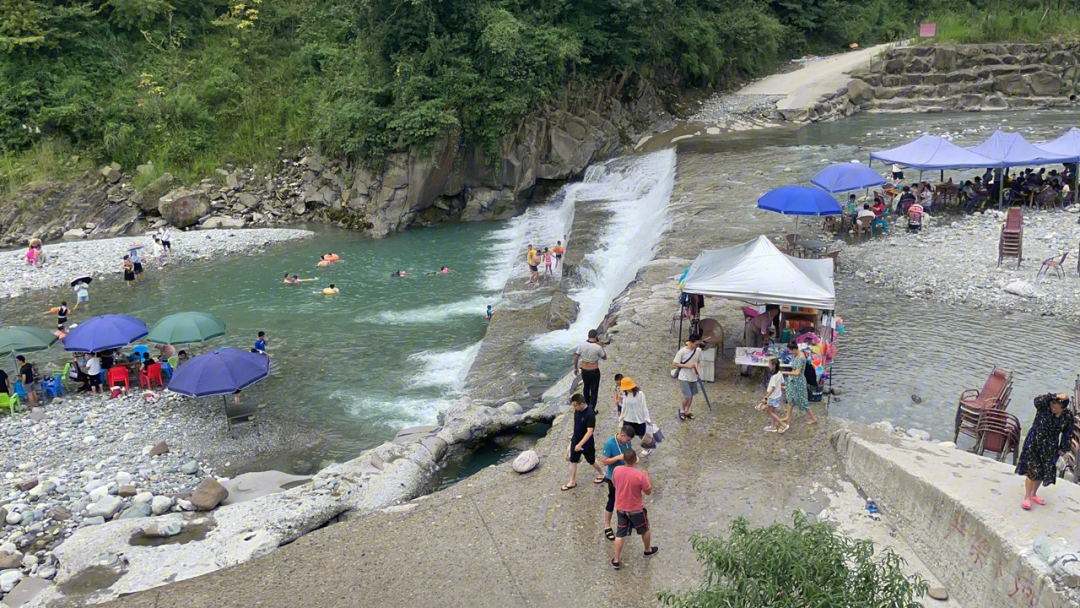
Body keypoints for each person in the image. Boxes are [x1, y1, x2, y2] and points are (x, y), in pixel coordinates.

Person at [1016, 393, 1075, 510]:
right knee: (1032, 470)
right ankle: (1027, 497)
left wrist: (1064, 448)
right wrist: (1054, 395)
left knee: (1043, 471)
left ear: (1062, 407)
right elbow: (1037, 400)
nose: (1053, 407)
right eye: (1053, 404)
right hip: (1034, 442)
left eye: (1056, 406)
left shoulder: (1067, 416)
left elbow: (1067, 432)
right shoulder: (1044, 407)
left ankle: (1033, 494)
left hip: (1050, 446)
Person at [610, 448, 657, 569]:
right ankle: (647, 549)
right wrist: (647, 477)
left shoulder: (616, 470)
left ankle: (616, 559)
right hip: (636, 509)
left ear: (624, 459)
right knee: (644, 529)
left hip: (621, 508)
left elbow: (615, 484)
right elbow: (648, 491)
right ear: (635, 460)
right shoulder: (639, 476)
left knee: (620, 534)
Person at [563, 393, 605, 491]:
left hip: (586, 442)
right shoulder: (577, 411)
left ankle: (602, 473)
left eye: (575, 405)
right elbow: (576, 426)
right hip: (576, 439)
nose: (574, 408)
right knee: (573, 460)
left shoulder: (590, 413)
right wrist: (572, 441)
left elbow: (590, 431)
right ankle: (571, 481)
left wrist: (580, 444)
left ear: (582, 404)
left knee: (591, 460)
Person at [600, 425, 636, 542]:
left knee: (627, 499)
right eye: (627, 440)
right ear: (622, 435)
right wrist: (617, 458)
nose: (628, 442)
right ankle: (607, 526)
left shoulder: (627, 443)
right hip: (613, 477)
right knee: (612, 500)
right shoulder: (609, 444)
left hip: (626, 475)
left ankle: (626, 522)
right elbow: (604, 461)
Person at [780, 342, 817, 425]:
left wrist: (784, 372)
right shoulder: (795, 355)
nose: (789, 352)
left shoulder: (801, 358)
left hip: (799, 382)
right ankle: (787, 416)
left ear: (794, 349)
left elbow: (797, 372)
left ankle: (813, 418)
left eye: (790, 350)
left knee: (803, 400)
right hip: (793, 381)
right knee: (790, 398)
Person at [573, 329, 607, 411]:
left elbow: (576, 356)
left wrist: (575, 368)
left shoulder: (582, 345)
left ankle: (586, 406)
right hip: (594, 370)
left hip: (584, 370)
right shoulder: (598, 347)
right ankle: (591, 409)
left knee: (586, 388)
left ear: (588, 336)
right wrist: (601, 346)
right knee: (594, 391)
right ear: (596, 337)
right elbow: (604, 357)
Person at [672, 334, 702, 421]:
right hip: (684, 376)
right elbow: (674, 364)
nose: (697, 346)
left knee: (691, 395)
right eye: (696, 344)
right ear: (691, 343)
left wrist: (698, 371)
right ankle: (681, 409)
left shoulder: (698, 350)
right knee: (687, 396)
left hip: (693, 376)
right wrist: (687, 366)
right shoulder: (682, 352)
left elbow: (699, 361)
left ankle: (687, 411)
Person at [618, 377, 653, 455]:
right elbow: (624, 406)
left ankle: (647, 448)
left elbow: (644, 407)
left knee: (642, 435)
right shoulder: (625, 394)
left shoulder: (640, 394)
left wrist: (647, 419)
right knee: (626, 435)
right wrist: (621, 417)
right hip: (628, 418)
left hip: (639, 419)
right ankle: (625, 451)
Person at [759, 358, 789, 433]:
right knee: (773, 411)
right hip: (778, 395)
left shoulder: (773, 377)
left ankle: (783, 424)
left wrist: (765, 398)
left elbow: (772, 388)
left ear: (774, 365)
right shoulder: (779, 373)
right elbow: (782, 383)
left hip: (773, 396)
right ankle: (773, 426)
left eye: (770, 364)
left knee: (769, 411)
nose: (769, 365)